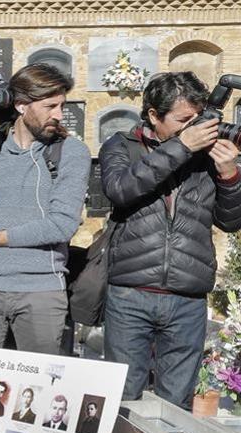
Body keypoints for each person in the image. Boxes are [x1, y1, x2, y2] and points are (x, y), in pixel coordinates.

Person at [101, 71, 241, 410]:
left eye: (198, 118)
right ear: (153, 115)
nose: (195, 127)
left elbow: (230, 221)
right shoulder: (123, 145)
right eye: (183, 120)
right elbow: (120, 190)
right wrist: (182, 147)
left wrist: (229, 175)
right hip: (131, 295)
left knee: (176, 406)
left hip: (188, 299)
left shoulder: (209, 156)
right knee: (122, 400)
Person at [0, 63, 92, 354]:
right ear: (21, 106)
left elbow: (62, 224)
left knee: (37, 390)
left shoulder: (70, 152)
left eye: (62, 105)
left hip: (41, 291)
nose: (59, 114)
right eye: (50, 106)